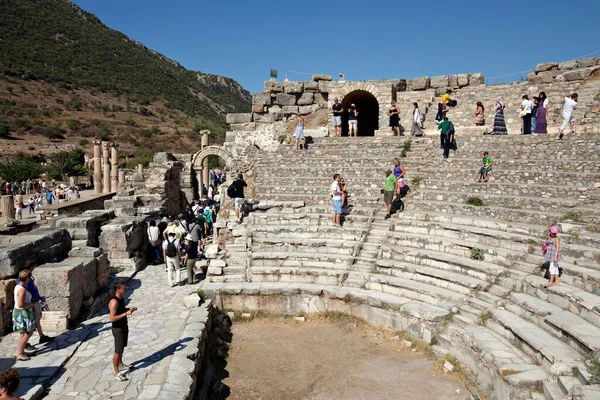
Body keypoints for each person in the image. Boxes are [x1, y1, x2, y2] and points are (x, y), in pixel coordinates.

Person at [20, 260, 54, 351]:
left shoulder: (29, 277)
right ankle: (24, 344)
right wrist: (32, 301)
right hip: (30, 303)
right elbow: (25, 292)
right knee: (28, 324)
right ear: (31, 267)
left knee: (38, 318)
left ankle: (42, 336)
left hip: (35, 301)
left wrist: (39, 297)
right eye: (34, 266)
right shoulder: (24, 278)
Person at [109, 282, 137, 381]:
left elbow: (120, 310)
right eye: (124, 288)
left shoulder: (121, 299)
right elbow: (112, 318)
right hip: (118, 329)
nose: (126, 290)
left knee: (122, 347)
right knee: (117, 350)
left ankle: (121, 364)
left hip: (124, 326)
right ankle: (116, 372)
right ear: (118, 290)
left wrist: (129, 309)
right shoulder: (114, 302)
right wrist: (126, 313)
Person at [13, 270, 36, 361]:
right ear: (27, 278)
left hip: (19, 313)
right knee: (28, 333)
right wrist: (31, 304)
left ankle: (21, 351)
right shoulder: (22, 290)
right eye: (29, 278)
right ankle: (19, 352)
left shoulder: (17, 286)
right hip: (23, 313)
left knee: (22, 334)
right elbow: (20, 304)